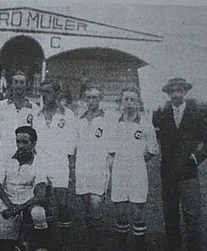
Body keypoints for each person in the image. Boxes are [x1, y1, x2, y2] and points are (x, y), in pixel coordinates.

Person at [152, 78, 207, 251]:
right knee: (170, 217)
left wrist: (196, 158)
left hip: (188, 174)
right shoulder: (162, 115)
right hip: (168, 175)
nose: (176, 94)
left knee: (192, 216)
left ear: (185, 92)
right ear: (168, 94)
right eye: (173, 91)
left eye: (179, 90)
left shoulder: (195, 114)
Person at [110, 86, 158, 251]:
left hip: (137, 171)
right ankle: (122, 246)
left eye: (133, 100)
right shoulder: (115, 122)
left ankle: (139, 246)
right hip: (119, 170)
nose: (129, 103)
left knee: (138, 212)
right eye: (126, 99)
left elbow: (152, 150)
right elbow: (109, 148)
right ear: (121, 102)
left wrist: (138, 161)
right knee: (121, 212)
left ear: (138, 102)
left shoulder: (145, 123)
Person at [34, 80, 77, 250]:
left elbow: (72, 142)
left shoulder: (68, 114)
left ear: (57, 93)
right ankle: (46, 240)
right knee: (43, 202)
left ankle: (65, 243)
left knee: (62, 204)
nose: (45, 95)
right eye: (42, 92)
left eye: (48, 91)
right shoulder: (37, 115)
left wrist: (71, 167)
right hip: (41, 163)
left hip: (59, 163)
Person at [0, 126, 48, 250]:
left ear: (34, 143)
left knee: (39, 213)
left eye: (25, 142)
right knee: (5, 247)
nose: (20, 146)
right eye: (18, 142)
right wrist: (11, 206)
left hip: (27, 203)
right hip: (7, 203)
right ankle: (22, 245)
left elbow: (40, 194)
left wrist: (18, 209)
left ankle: (41, 246)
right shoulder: (7, 159)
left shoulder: (40, 161)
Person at [75, 86, 115, 251]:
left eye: (95, 98)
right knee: (86, 205)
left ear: (100, 99)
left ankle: (95, 244)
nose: (91, 101)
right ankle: (91, 239)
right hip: (82, 167)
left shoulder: (108, 119)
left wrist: (110, 173)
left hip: (99, 167)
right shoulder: (80, 119)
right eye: (89, 98)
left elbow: (112, 150)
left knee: (96, 204)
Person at [0, 70, 39, 167]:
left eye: (22, 82)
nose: (19, 85)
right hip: (4, 154)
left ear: (27, 85)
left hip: (26, 157)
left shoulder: (34, 109)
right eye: (16, 82)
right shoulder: (0, 106)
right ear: (11, 85)